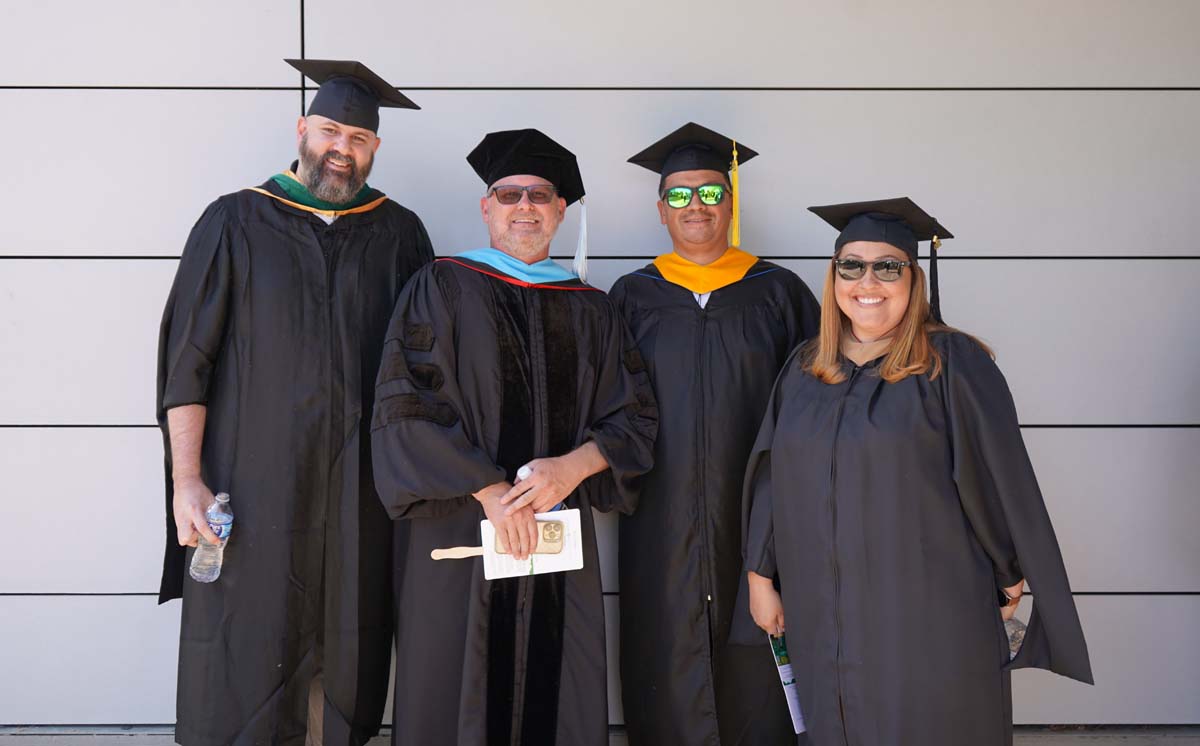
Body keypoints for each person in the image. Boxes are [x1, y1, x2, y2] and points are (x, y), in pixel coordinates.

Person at [743, 197, 1093, 746]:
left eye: (888, 266)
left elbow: (994, 474)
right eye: (851, 265)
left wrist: (1007, 570)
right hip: (821, 604)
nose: (868, 281)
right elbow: (772, 475)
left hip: (925, 603)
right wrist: (760, 575)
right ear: (834, 277)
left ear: (914, 279)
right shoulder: (808, 368)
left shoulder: (951, 364)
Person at [155, 58, 434, 746]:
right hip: (251, 487)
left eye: (359, 137)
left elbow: (429, 370)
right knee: (246, 648)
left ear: (375, 148)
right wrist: (186, 481)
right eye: (331, 130)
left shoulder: (400, 235)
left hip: (361, 493)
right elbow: (186, 364)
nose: (342, 148)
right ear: (302, 129)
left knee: (350, 643)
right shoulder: (234, 221)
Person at [371, 128, 658, 746]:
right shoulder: (440, 287)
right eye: (509, 194)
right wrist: (488, 490)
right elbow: (406, 405)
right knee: (456, 690)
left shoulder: (593, 308)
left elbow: (635, 418)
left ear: (560, 210)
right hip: (461, 532)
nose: (524, 206)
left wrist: (573, 469)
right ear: (486, 207)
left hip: (557, 540)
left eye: (539, 195)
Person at [610, 122, 819, 745]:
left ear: (730, 201)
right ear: (660, 209)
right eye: (678, 195)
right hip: (660, 512)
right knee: (664, 636)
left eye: (708, 192)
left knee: (759, 637)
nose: (694, 206)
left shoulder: (778, 292)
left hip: (756, 509)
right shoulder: (631, 295)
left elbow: (815, 407)